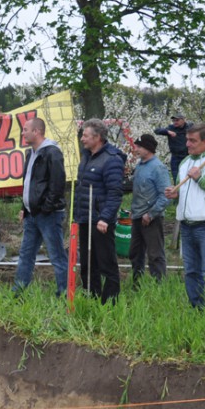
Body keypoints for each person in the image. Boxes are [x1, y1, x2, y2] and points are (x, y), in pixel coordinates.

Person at [164, 123, 205, 309]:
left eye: (193, 141)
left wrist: (201, 178)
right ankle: (197, 308)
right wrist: (175, 195)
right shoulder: (185, 162)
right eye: (187, 140)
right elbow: (182, 191)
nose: (188, 144)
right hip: (186, 224)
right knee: (191, 271)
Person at [13, 118, 69, 297]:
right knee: (25, 254)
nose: (23, 133)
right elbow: (28, 182)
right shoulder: (30, 153)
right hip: (32, 214)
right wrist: (25, 206)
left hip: (48, 215)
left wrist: (46, 209)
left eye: (25, 129)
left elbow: (57, 185)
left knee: (57, 256)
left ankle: (65, 293)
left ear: (37, 132)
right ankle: (19, 292)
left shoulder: (52, 153)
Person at [72, 119, 126, 303]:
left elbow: (115, 193)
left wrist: (105, 217)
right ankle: (91, 297)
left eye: (85, 135)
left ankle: (111, 301)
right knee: (88, 263)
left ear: (98, 137)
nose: (82, 139)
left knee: (106, 262)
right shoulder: (86, 156)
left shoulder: (112, 160)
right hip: (85, 218)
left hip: (101, 221)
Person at [128, 134, 170, 285]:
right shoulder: (140, 166)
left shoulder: (158, 168)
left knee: (155, 254)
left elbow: (166, 195)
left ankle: (159, 285)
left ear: (148, 148)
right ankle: (137, 283)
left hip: (152, 218)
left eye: (139, 146)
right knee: (135, 252)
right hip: (137, 216)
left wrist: (151, 214)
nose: (136, 149)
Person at [155, 113, 192, 181]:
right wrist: (168, 132)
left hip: (187, 156)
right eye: (174, 121)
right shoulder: (171, 128)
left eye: (177, 120)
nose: (175, 122)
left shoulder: (189, 127)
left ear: (183, 120)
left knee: (188, 177)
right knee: (176, 177)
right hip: (175, 156)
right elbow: (157, 131)